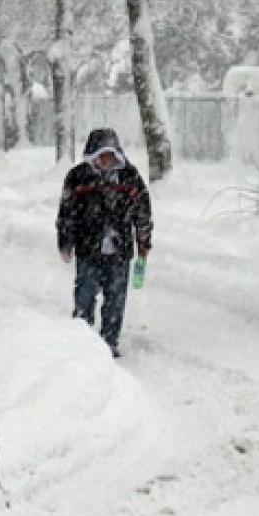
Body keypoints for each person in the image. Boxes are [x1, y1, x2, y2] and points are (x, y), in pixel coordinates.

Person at [56, 128, 153, 357]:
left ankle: (109, 343)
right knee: (85, 294)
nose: (106, 160)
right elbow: (67, 213)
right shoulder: (77, 177)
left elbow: (143, 213)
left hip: (120, 251)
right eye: (101, 155)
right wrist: (65, 242)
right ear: (92, 155)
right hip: (88, 248)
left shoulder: (129, 177)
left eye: (110, 155)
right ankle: (81, 340)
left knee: (116, 299)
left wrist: (144, 243)